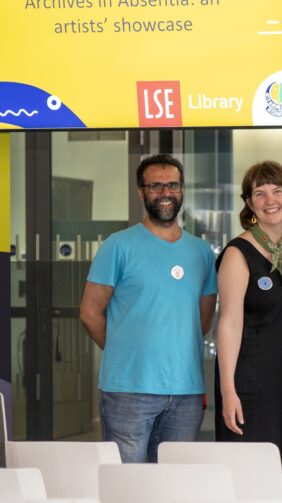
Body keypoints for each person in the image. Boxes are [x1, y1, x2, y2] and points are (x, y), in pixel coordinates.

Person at [79, 154, 217, 463]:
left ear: (182, 190)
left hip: (186, 392)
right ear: (141, 192)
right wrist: (124, 350)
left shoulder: (201, 252)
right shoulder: (119, 245)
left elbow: (203, 319)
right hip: (129, 391)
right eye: (155, 186)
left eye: (173, 185)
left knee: (172, 486)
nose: (165, 193)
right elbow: (89, 313)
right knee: (127, 486)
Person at [215, 161, 282, 473]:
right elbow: (229, 323)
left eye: (277, 190)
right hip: (252, 387)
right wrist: (228, 391)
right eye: (260, 193)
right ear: (249, 203)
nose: (270, 200)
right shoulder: (237, 253)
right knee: (253, 476)